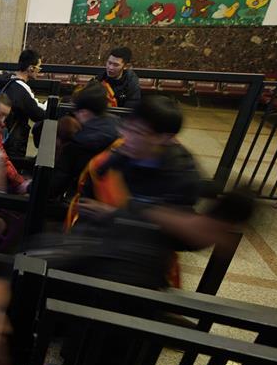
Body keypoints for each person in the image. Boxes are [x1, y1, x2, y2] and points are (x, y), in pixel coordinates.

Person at [67, 95, 201, 288]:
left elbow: (183, 239)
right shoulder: (116, 159)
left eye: (138, 132)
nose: (126, 137)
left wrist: (116, 216)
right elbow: (89, 205)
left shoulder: (179, 175)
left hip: (143, 263)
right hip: (106, 245)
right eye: (126, 127)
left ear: (164, 138)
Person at [46, 83, 120, 199]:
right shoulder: (119, 126)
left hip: (85, 199)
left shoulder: (78, 143)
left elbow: (56, 185)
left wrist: (29, 187)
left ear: (84, 112)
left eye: (77, 111)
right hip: (115, 197)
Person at [1, 49, 48, 160]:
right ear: (31, 68)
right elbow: (38, 114)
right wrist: (48, 104)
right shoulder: (21, 88)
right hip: (12, 141)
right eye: (38, 68)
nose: (39, 71)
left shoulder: (7, 80)